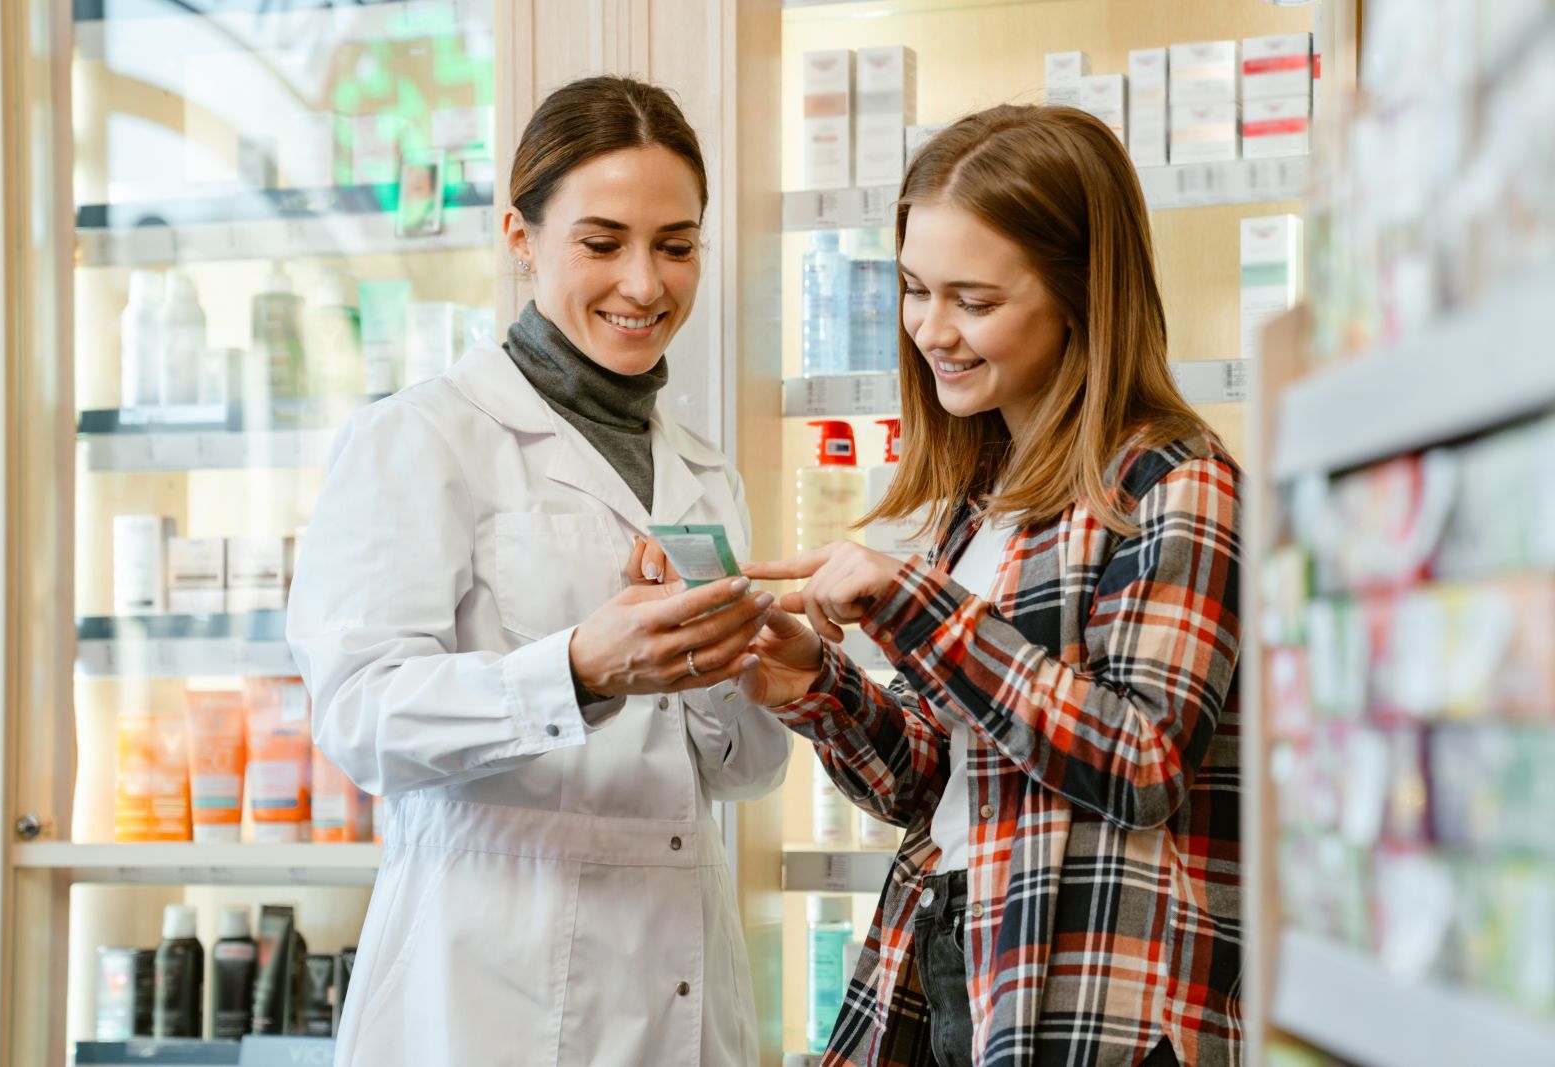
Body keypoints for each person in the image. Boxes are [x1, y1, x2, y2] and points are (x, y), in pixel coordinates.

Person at [287, 76, 791, 1067]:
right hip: (487, 1000)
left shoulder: (704, 469)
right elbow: (360, 718)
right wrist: (576, 670)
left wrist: (760, 676)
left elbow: (746, 771)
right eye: (601, 243)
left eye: (676, 245)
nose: (644, 284)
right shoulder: (421, 437)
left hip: (681, 996)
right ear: (519, 237)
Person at [742, 104, 1244, 1067]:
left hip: (1091, 998)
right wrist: (817, 685)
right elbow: (936, 783)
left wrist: (911, 604)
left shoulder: (1176, 484)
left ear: (1079, 295)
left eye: (974, 301)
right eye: (914, 289)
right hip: (945, 957)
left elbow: (1141, 761)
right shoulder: (985, 495)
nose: (932, 330)